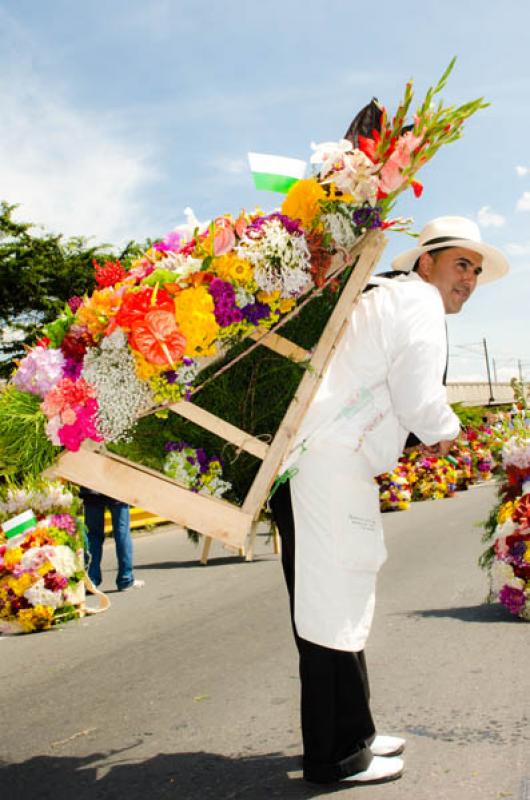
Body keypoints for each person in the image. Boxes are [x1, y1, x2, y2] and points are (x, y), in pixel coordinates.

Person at [269, 216, 509, 786]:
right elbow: (421, 400)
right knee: (329, 611)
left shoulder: (388, 294)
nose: (469, 279)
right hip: (327, 467)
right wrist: (452, 431)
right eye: (460, 264)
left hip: (323, 465)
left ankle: (358, 733)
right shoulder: (418, 302)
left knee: (340, 601)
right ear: (424, 262)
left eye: (475, 270)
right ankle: (335, 757)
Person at [80, 488, 145, 592]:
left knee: (93, 536)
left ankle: (91, 581)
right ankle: (125, 579)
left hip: (91, 489)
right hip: (115, 488)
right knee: (122, 534)